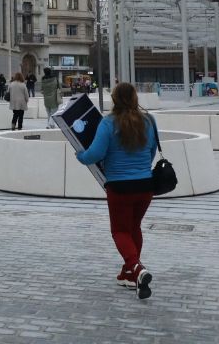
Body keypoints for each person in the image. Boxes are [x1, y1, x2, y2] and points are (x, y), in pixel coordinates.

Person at [75, 82, 158, 300]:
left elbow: (94, 154)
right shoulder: (149, 120)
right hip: (145, 186)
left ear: (114, 99)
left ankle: (137, 269)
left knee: (120, 231)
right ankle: (129, 275)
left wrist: (80, 155)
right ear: (135, 98)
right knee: (133, 228)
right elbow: (151, 153)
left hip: (119, 187)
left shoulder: (108, 123)